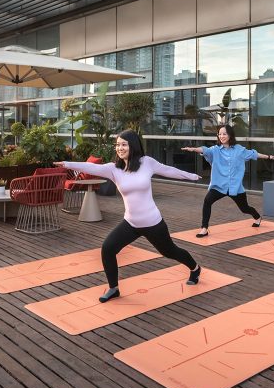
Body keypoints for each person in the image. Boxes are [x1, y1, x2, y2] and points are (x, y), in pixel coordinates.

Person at [57, 129, 203, 303]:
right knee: (108, 248)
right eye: (117, 145)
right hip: (131, 222)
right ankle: (113, 288)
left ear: (132, 145)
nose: (120, 148)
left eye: (124, 144)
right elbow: (91, 167)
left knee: (170, 251)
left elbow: (168, 170)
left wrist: (192, 176)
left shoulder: (146, 163)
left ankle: (195, 268)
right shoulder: (113, 169)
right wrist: (67, 164)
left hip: (153, 222)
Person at [181, 124, 274, 238]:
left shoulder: (239, 150)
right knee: (207, 201)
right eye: (219, 134)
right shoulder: (215, 150)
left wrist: (269, 157)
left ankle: (257, 217)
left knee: (244, 208)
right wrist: (193, 149)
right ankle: (204, 228)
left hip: (235, 187)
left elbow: (253, 154)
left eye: (224, 134)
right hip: (219, 186)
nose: (221, 136)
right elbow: (205, 150)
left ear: (230, 135)